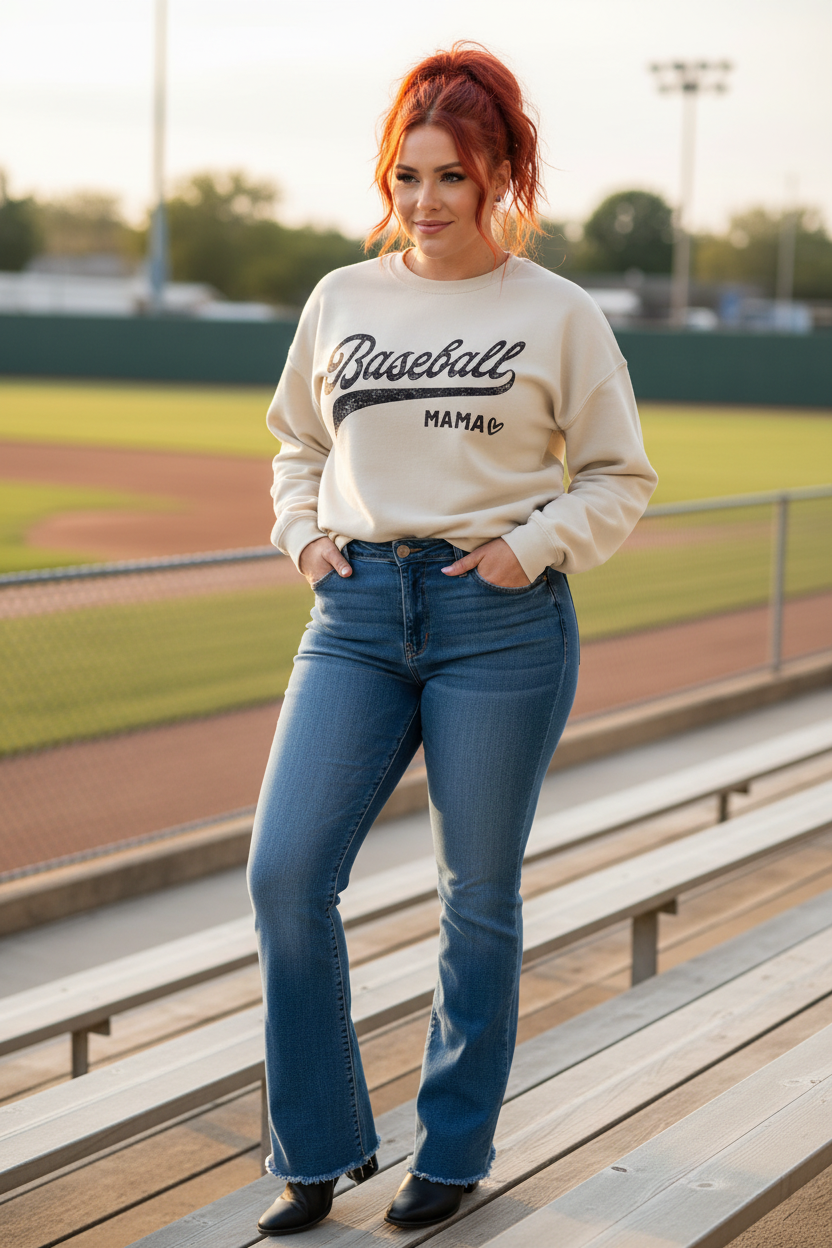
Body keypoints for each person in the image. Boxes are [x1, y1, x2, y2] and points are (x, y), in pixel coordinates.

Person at [247, 42, 657, 1237]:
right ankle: (314, 1151)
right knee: (283, 876)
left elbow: (620, 476)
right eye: (407, 175)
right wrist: (302, 535)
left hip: (498, 621)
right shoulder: (342, 298)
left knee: (474, 895)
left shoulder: (556, 313)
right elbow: (297, 442)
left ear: (498, 181)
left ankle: (456, 1148)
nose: (424, 203)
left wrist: (526, 551)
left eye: (452, 177)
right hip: (357, 614)